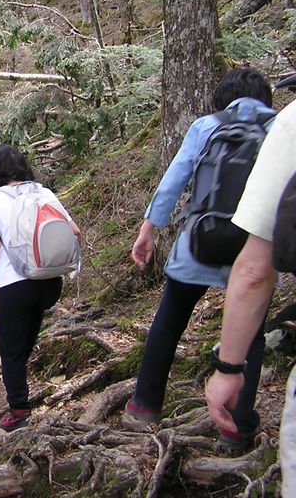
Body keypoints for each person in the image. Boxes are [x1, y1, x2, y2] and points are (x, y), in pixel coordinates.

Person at [124, 67, 275, 453]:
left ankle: (144, 406)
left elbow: (174, 179)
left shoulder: (206, 125)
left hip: (198, 243)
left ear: (222, 97)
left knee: (170, 320)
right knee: (251, 335)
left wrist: (148, 231)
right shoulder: (279, 130)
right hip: (253, 250)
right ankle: (235, 426)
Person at [205, 95, 296, 489]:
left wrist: (227, 368)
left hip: (200, 249)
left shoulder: (292, 124)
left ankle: (235, 428)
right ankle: (240, 429)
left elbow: (256, 270)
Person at [0, 144, 81, 431]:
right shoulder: (43, 193)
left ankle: (19, 411)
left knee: (10, 351)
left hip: (15, 286)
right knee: (23, 344)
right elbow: (74, 230)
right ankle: (21, 393)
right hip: (50, 282)